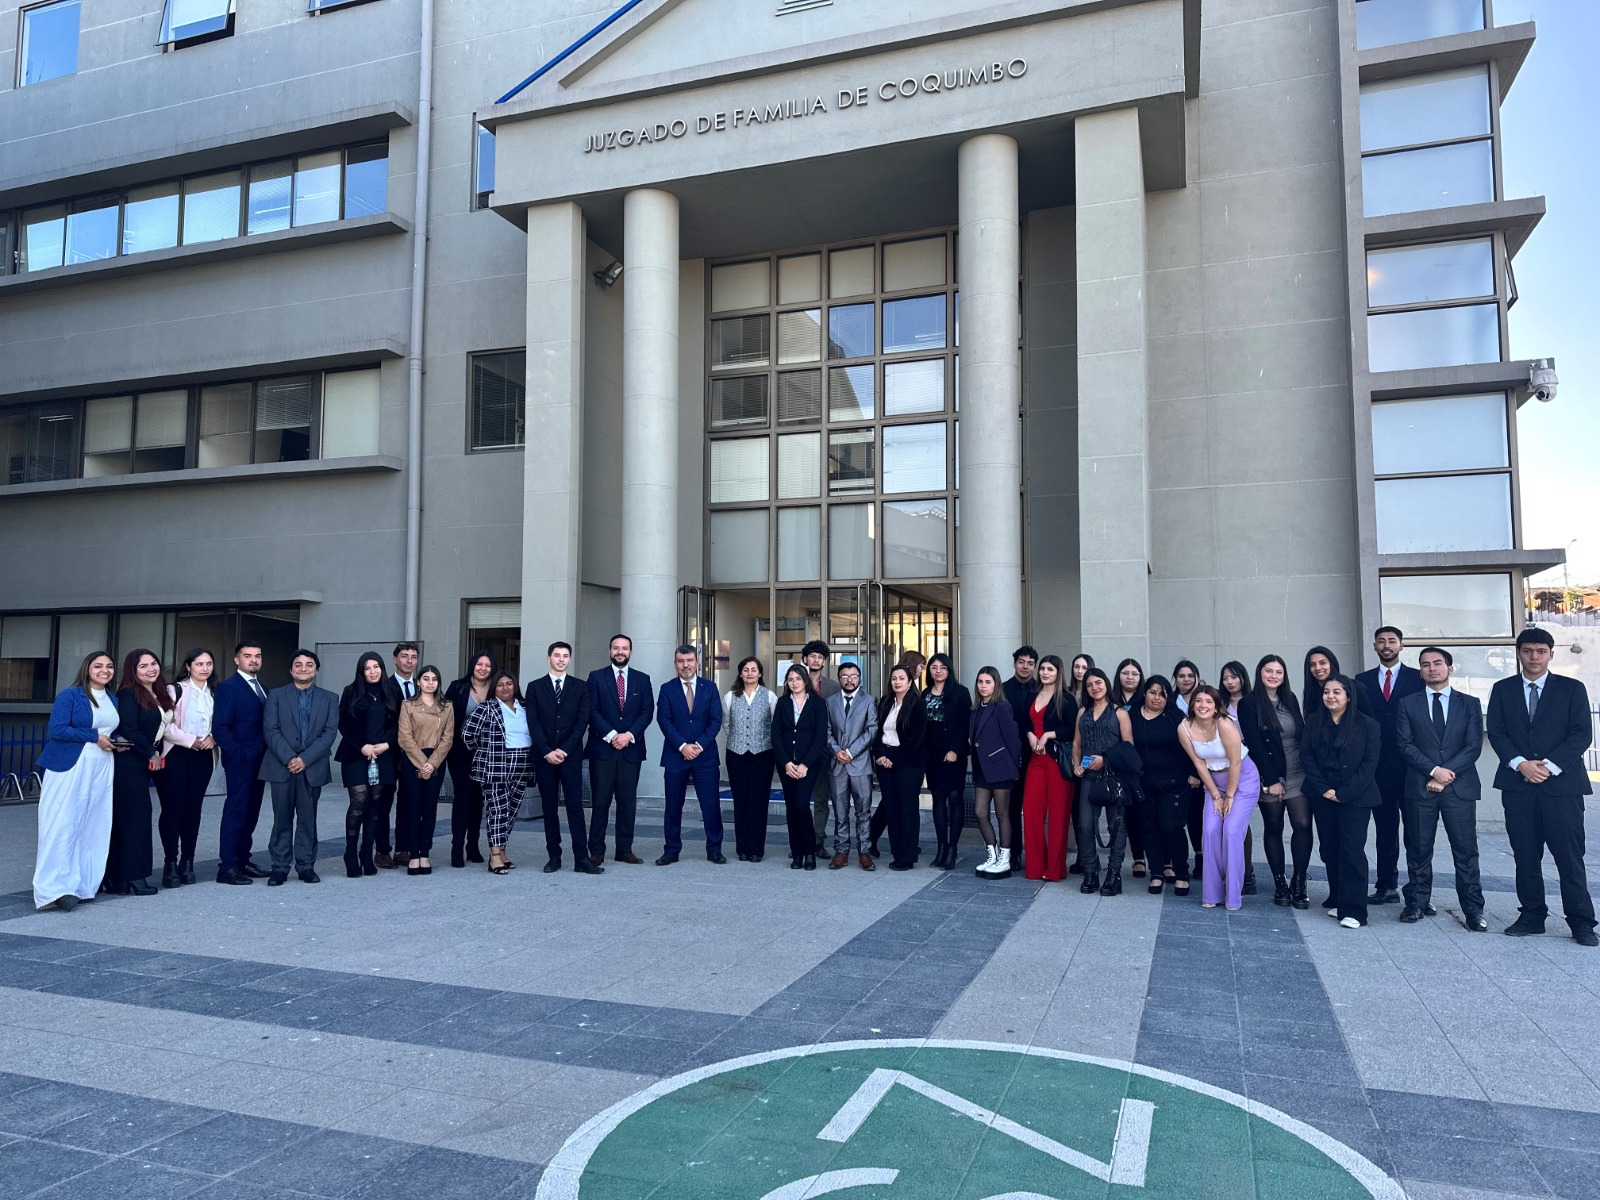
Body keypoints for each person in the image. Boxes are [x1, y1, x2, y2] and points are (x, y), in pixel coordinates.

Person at [1486, 627, 1596, 945]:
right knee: (1525, 854)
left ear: (1551, 653)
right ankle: (1532, 915)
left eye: (1540, 651)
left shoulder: (1572, 689)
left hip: (1562, 787)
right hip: (1518, 786)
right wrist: (1520, 763)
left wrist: (1547, 767)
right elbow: (1496, 731)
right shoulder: (1503, 689)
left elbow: (1580, 734)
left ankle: (1581, 921)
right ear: (1518, 653)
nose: (1534, 657)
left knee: (1569, 856)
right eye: (1527, 651)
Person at [1395, 646, 1486, 929]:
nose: (1431, 668)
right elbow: (1404, 744)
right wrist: (1434, 771)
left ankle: (1473, 909)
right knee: (1419, 849)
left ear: (1450, 668)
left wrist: (1446, 774)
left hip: (1459, 788)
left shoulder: (1469, 703)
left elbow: (1473, 746)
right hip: (1421, 787)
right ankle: (1417, 902)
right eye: (1425, 664)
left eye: (1437, 663)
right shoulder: (1407, 703)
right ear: (1420, 670)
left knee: (1466, 850)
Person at [33, 652, 120, 911]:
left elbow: (110, 729)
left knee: (93, 824)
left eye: (109, 666)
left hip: (102, 766)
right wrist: (94, 736)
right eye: (98, 666)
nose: (105, 670)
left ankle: (83, 884)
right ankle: (53, 889)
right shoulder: (70, 695)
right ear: (87, 668)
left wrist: (118, 742)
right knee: (61, 823)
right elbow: (57, 729)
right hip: (70, 765)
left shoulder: (113, 698)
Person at [1303, 675, 1381, 929]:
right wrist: (1324, 789)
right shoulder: (1314, 721)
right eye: (1327, 692)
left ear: (1349, 695)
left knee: (1352, 851)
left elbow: (1369, 764)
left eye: (1337, 692)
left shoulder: (1367, 725)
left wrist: (1344, 793)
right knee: (1330, 848)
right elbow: (1307, 757)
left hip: (1355, 797)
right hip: (1322, 795)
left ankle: (1355, 911)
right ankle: (1338, 898)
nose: (1331, 697)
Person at [1354, 627, 1424, 906]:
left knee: (1416, 832)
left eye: (1392, 641)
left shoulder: (1417, 679)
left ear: (1401, 646)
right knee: (1385, 830)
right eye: (1381, 641)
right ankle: (1386, 885)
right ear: (1374, 646)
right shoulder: (1361, 681)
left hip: (1411, 767)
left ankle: (1420, 889)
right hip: (1378, 768)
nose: (1386, 645)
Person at [259, 649, 339, 885]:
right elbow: (270, 729)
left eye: (309, 665)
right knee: (281, 818)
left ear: (316, 669)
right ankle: (280, 866)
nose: (303, 668)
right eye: (298, 665)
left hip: (311, 768)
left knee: (307, 818)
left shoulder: (330, 698)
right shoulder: (275, 695)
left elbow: (329, 733)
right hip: (281, 766)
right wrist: (290, 759)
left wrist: (305, 759)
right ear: (291, 669)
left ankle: (306, 866)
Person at [1237, 655, 1311, 909]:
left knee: (1302, 824)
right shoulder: (1248, 703)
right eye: (1269, 671)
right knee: (1274, 826)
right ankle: (1280, 882)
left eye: (1278, 671)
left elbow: (1300, 733)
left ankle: (1299, 882)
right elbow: (1255, 745)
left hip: (1298, 770)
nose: (1273, 676)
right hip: (1270, 773)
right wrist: (1271, 779)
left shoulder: (1289, 698)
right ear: (1260, 673)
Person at [1177, 685, 1259, 911]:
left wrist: (1229, 795)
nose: (1203, 705)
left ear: (1216, 706)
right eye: (1199, 701)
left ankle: (1233, 896)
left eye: (1209, 702)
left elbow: (1235, 762)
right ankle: (1212, 893)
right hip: (1213, 784)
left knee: (1232, 831)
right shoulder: (1184, 728)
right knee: (1211, 831)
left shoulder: (1225, 723)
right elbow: (1199, 764)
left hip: (1242, 781)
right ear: (1192, 704)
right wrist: (1215, 794)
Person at [524, 642, 596, 875]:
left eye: (566, 656)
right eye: (557, 655)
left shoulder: (580, 687)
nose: (561, 659)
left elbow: (582, 722)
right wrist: (546, 750)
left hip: (571, 756)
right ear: (548, 658)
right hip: (544, 757)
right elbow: (532, 722)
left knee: (575, 807)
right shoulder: (535, 687)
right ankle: (554, 856)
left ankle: (581, 859)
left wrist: (564, 750)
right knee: (549, 807)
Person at [104, 649, 169, 897]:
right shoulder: (129, 694)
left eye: (154, 663)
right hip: (128, 765)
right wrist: (151, 753)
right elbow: (129, 728)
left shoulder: (156, 693)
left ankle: (119, 878)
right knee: (136, 820)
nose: (151, 669)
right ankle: (134, 876)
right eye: (143, 666)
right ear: (133, 670)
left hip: (141, 764)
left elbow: (160, 730)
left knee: (131, 820)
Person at [586, 634, 653, 866]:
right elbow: (591, 711)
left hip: (631, 750)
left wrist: (628, 736)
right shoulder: (595, 678)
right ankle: (596, 850)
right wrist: (613, 735)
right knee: (600, 802)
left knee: (627, 802)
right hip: (602, 750)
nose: (620, 652)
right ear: (609, 651)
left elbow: (647, 712)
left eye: (624, 648)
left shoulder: (642, 679)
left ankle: (624, 850)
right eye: (616, 648)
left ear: (631, 652)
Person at [657, 645, 724, 866]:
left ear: (697, 662)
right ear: (675, 663)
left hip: (705, 757)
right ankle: (671, 849)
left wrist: (698, 746)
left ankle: (714, 849)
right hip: (676, 757)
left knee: (711, 805)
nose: (685, 665)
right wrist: (683, 746)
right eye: (680, 661)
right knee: (673, 806)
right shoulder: (667, 689)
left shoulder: (710, 688)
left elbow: (716, 720)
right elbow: (664, 721)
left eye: (689, 660)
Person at [155, 647, 217, 888]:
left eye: (208, 663)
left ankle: (188, 862)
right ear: (189, 666)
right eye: (199, 664)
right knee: (173, 809)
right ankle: (170, 862)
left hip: (204, 755)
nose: (205, 668)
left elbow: (221, 722)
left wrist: (213, 737)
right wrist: (191, 741)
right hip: (177, 754)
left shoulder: (215, 692)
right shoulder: (175, 690)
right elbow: (164, 725)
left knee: (194, 809)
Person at [335, 652, 400, 878]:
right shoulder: (350, 692)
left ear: (382, 669)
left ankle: (366, 853)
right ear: (361, 671)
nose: (372, 671)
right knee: (359, 801)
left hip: (383, 755)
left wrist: (385, 744)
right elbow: (343, 724)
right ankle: (350, 853)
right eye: (367, 668)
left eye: (376, 667)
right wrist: (363, 745)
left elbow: (400, 723)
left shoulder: (392, 692)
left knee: (376, 805)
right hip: (356, 753)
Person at [460, 668, 531, 874]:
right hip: (495, 766)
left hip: (522, 764)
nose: (505, 688)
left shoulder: (525, 706)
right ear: (494, 688)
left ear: (515, 686)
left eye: (509, 684)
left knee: (510, 812)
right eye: (500, 685)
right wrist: (486, 750)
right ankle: (494, 856)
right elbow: (467, 735)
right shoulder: (487, 707)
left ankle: (502, 850)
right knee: (497, 811)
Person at [1072, 667, 1134, 895]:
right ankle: (1090, 872)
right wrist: (1076, 764)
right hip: (1088, 777)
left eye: (1098, 682)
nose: (1094, 687)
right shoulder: (1082, 712)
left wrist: (1105, 759)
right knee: (1085, 825)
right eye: (1089, 685)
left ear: (1106, 683)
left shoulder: (1119, 713)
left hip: (1114, 775)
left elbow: (1128, 747)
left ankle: (1114, 874)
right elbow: (1077, 744)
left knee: (1116, 826)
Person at [213, 641, 270, 884]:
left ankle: (243, 860)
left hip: (261, 762)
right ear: (237, 660)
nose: (253, 660)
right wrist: (238, 755)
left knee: (251, 812)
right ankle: (227, 866)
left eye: (257, 656)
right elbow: (221, 727)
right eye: (247, 656)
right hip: (241, 761)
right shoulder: (229, 688)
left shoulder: (263, 688)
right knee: (236, 812)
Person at [1130, 676, 1191, 896]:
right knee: (1149, 828)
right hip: (1143, 783)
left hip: (1174, 784)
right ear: (1144, 693)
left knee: (1171, 827)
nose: (1157, 698)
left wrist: (1193, 774)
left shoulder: (1176, 718)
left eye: (1163, 694)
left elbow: (1192, 749)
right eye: (1153, 692)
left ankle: (1181, 873)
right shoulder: (1132, 716)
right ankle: (1156, 873)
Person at [1021, 655, 1077, 882]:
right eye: (1042, 668)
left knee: (1058, 817)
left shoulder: (1067, 699)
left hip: (1056, 762)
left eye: (1050, 669)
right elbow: (1024, 722)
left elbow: (1073, 729)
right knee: (1032, 813)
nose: (1044, 672)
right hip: (1035, 761)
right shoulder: (1031, 695)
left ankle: (1055, 870)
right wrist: (1030, 735)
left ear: (1058, 673)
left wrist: (1048, 735)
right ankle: (1034, 867)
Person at [397, 664, 455, 875]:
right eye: (426, 678)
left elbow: (448, 738)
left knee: (429, 809)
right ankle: (413, 854)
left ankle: (425, 853)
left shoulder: (447, 706)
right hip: (413, 760)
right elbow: (404, 737)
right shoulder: (408, 705)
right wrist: (423, 764)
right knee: (412, 809)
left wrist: (432, 763)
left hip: (436, 761)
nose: (430, 683)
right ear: (418, 682)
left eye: (434, 679)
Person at [872, 664, 927, 872]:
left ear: (910, 682)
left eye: (901, 678)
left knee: (907, 809)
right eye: (894, 678)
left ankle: (907, 855)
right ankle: (897, 851)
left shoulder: (918, 705)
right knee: (891, 808)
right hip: (884, 762)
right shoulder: (886, 702)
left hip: (909, 764)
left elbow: (915, 739)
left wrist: (893, 758)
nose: (897, 682)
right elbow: (877, 733)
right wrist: (880, 755)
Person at [774, 664, 828, 870]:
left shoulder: (817, 703)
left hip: (809, 764)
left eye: (797, 678)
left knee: (801, 805)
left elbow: (820, 736)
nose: (794, 683)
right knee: (791, 808)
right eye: (790, 679)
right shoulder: (782, 703)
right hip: (786, 764)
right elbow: (776, 735)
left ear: (805, 680)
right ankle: (796, 853)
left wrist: (805, 764)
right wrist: (786, 762)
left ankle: (810, 851)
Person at [969, 666, 1021, 879]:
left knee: (1002, 814)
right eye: (980, 682)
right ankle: (993, 854)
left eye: (988, 682)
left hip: (1001, 768)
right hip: (982, 769)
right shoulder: (975, 708)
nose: (983, 686)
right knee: (980, 813)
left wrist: (1015, 766)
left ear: (996, 684)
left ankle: (1005, 860)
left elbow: (1013, 739)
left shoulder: (1002, 707)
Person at [724, 657, 777, 863]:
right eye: (745, 670)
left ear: (760, 673)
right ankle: (742, 848)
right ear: (740, 673)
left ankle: (756, 849)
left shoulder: (770, 696)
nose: (749, 673)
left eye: (753, 670)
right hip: (736, 755)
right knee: (741, 801)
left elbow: (774, 724)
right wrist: (740, 741)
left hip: (763, 754)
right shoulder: (729, 696)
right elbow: (726, 724)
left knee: (759, 800)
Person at [921, 653, 971, 871]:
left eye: (942, 667)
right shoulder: (924, 694)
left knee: (954, 797)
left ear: (949, 670)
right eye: (934, 667)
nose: (938, 671)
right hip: (932, 755)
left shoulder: (960, 693)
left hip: (953, 754)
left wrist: (955, 750)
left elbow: (965, 725)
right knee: (938, 799)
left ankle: (952, 849)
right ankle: (941, 848)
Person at [373, 641, 421, 869]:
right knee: (383, 802)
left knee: (409, 802)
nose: (409, 661)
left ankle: (404, 848)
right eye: (404, 656)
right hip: (388, 753)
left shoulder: (423, 686)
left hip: (414, 756)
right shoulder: (384, 686)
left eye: (413, 656)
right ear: (395, 659)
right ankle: (382, 850)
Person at [825, 662, 877, 870]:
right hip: (836, 764)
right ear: (839, 678)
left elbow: (872, 730)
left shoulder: (869, 701)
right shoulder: (830, 702)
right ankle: (841, 851)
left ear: (859, 678)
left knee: (863, 812)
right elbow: (826, 730)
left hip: (860, 765)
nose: (849, 679)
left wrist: (850, 752)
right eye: (844, 676)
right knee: (840, 811)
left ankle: (864, 852)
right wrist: (837, 750)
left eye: (853, 676)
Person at [443, 653, 494, 867]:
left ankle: (472, 846)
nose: (483, 668)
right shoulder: (458, 687)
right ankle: (456, 848)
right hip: (460, 751)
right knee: (463, 797)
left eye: (487, 665)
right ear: (472, 666)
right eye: (479, 664)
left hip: (487, 753)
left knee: (478, 799)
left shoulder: (495, 688)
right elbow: (445, 717)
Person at [801, 640, 841, 854]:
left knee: (821, 798)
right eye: (812, 656)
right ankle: (801, 840)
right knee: (799, 799)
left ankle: (818, 841)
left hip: (825, 751)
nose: (816, 660)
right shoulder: (795, 681)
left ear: (824, 661)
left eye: (820, 657)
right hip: (801, 751)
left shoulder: (833, 687)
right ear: (805, 658)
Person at [1002, 645, 1040, 871]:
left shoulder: (1044, 688)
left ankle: (1037, 853)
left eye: (1030, 663)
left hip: (1039, 753)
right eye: (1021, 662)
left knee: (1036, 806)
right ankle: (1014, 851)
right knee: (1012, 806)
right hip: (1010, 755)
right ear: (1014, 663)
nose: (1025, 667)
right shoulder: (1003, 689)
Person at [1110, 658, 1147, 878]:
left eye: (1135, 673)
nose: (1130, 677)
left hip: (1142, 763)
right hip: (1117, 763)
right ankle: (1138, 858)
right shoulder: (1111, 699)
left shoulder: (1147, 698)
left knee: (1145, 812)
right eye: (1125, 672)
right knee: (1128, 813)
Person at [1171, 658, 1204, 879]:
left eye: (1190, 676)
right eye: (1182, 676)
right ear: (1175, 679)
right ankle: (1176, 861)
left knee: (1197, 816)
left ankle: (1201, 858)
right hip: (1175, 768)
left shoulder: (1204, 701)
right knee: (1176, 817)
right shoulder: (1169, 702)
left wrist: (1196, 772)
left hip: (1201, 768)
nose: (1186, 680)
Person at [1302, 646, 1340, 723]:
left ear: (1332, 664)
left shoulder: (1351, 687)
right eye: (1312, 665)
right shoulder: (1311, 692)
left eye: (1322, 663)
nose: (1317, 668)